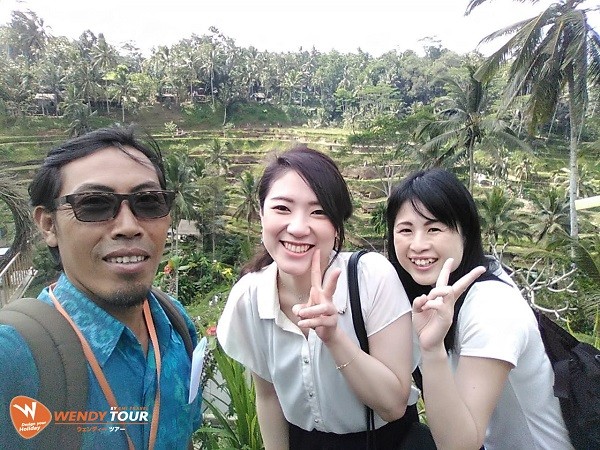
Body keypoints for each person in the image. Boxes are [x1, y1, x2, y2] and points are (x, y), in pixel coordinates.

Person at [0, 126, 202, 449]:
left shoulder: (175, 324)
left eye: (148, 202)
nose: (128, 226)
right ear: (49, 225)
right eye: (94, 204)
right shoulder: (14, 357)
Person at [217, 146, 421, 449]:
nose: (298, 228)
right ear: (261, 213)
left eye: (319, 212)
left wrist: (334, 338)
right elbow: (269, 397)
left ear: (336, 227)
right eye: (282, 208)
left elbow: (393, 405)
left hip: (384, 442)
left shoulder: (371, 278)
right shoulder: (249, 296)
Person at [386, 167, 573, 450]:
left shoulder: (491, 306)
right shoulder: (433, 296)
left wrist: (432, 349)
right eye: (405, 230)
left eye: (434, 228)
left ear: (466, 232)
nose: (418, 245)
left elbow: (459, 445)